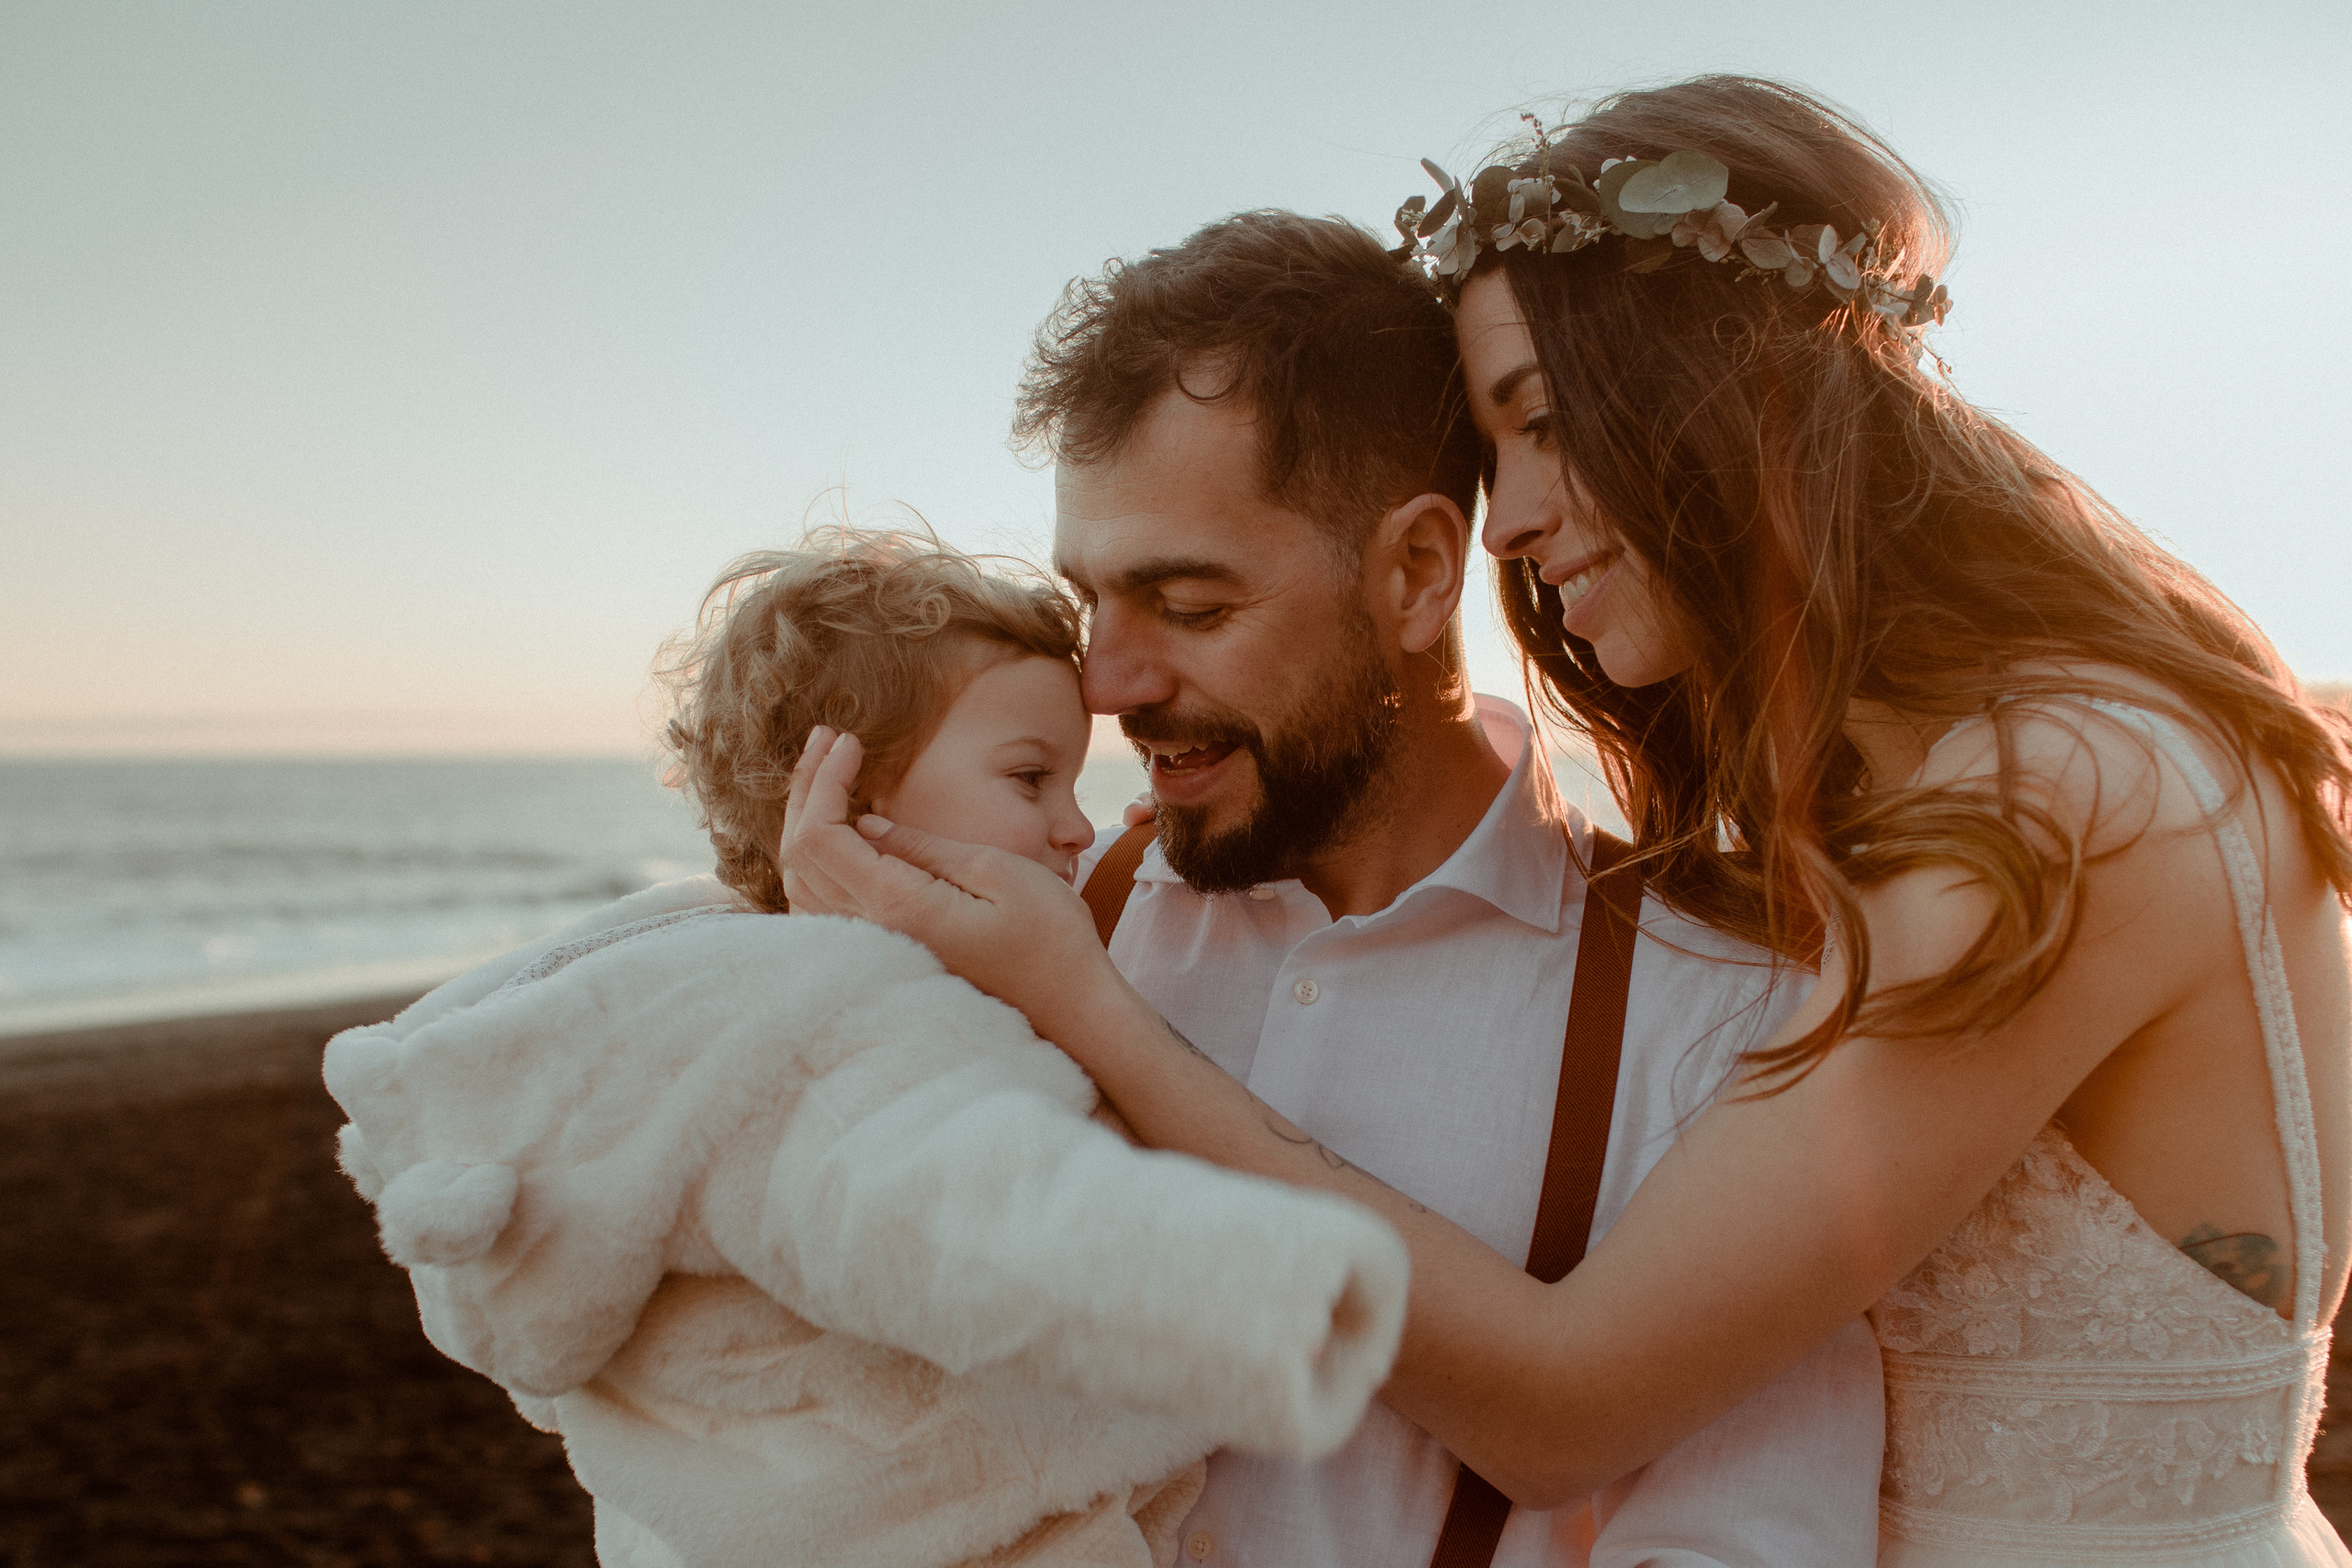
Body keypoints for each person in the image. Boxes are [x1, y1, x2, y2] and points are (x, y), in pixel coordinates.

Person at [779, 215, 1883, 1565]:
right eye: (1090, 607)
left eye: (1188, 606)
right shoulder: (1034, 910)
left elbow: (1747, 1540)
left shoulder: (1716, 1006)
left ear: (1418, 572)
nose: (1109, 684)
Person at [1430, 75, 2352, 1564]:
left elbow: (1565, 1404)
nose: (1512, 522)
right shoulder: (1965, 779)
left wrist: (1104, 1047)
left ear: (1722, 382)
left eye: (1540, 422)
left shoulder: (2063, 797)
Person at [322, 531, 1412, 1568]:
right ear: (849, 793)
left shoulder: (690, 986)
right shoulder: (849, 1025)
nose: (1078, 826)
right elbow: (959, 1216)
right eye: (1030, 779)